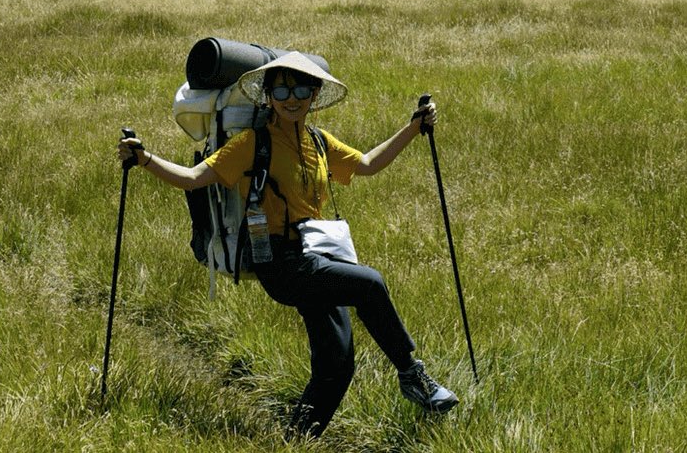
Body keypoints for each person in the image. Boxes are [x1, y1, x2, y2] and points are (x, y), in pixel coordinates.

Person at [118, 51, 458, 438]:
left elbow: (366, 165)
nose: (291, 97)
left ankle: (296, 440)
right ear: (267, 97)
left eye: (300, 89)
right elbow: (195, 177)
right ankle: (413, 377)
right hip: (281, 265)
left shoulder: (318, 141)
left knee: (337, 365)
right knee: (370, 284)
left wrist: (413, 128)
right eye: (281, 89)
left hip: (317, 258)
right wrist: (144, 159)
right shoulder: (252, 143)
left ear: (314, 96)